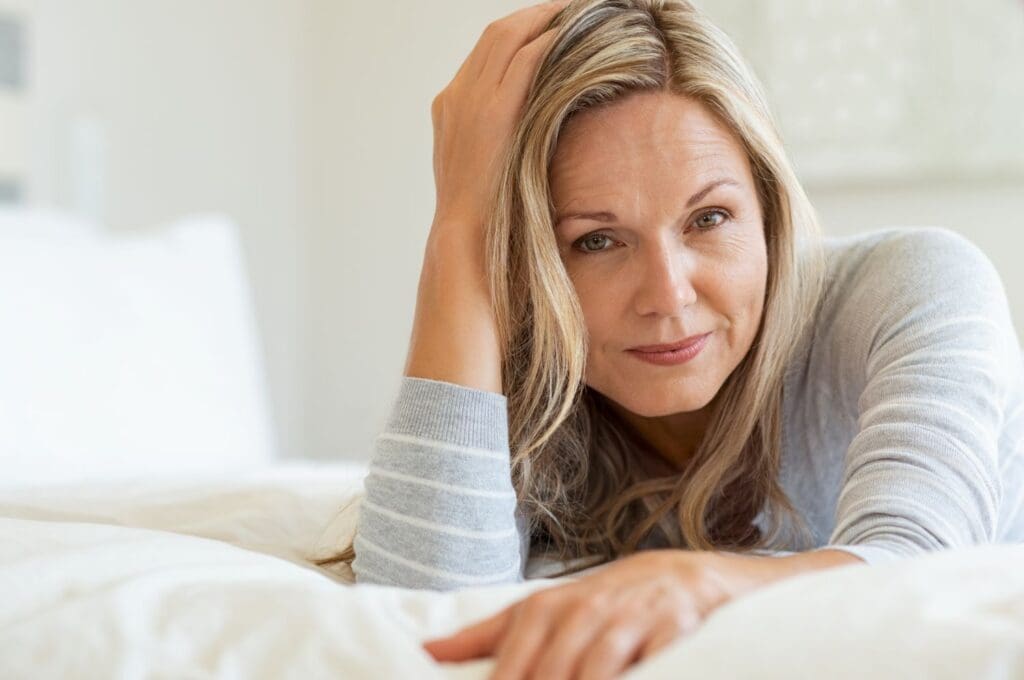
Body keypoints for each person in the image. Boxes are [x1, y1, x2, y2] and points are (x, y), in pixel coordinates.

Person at [315, 0, 1024, 677]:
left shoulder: (914, 287)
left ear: (769, 209)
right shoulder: (538, 383)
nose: (668, 295)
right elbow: (419, 613)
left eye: (709, 219)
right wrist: (464, 220)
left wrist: (700, 581)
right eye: (595, 240)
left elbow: (922, 567)